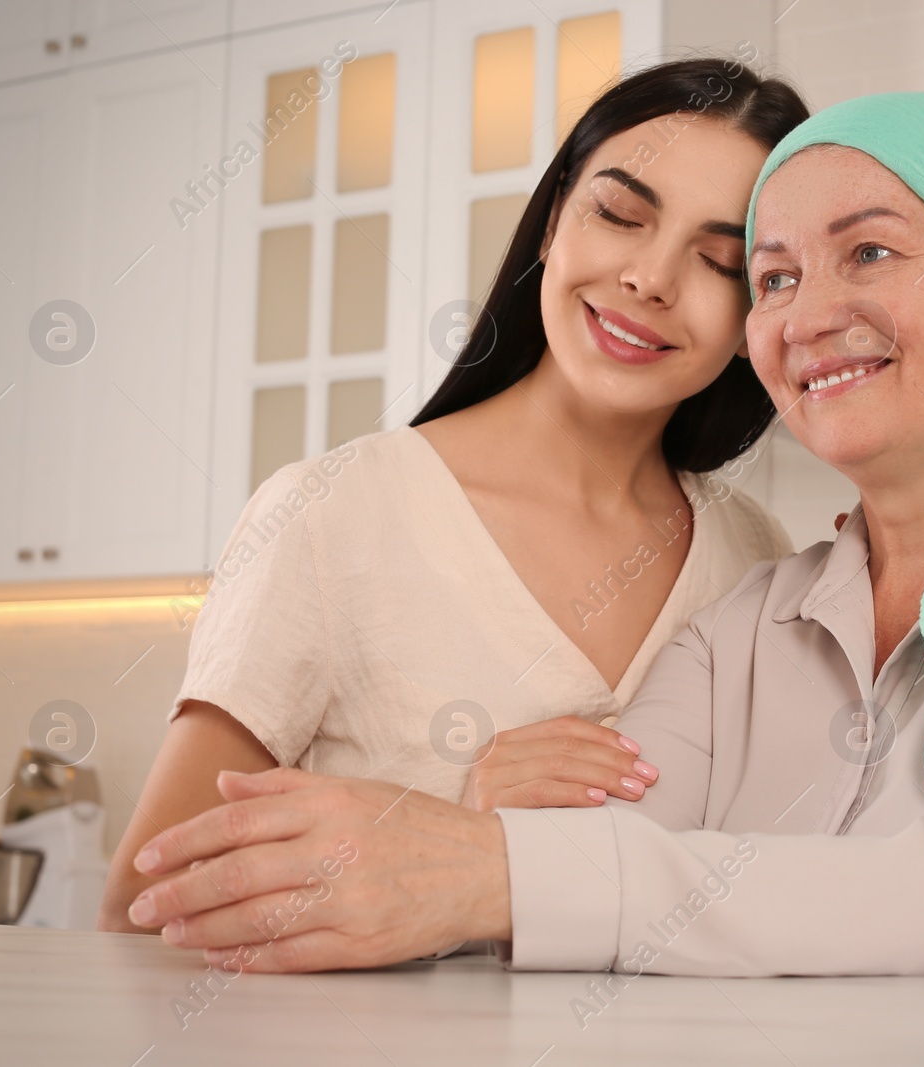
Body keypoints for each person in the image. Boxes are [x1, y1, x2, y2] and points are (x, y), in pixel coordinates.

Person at [116, 93, 924, 986]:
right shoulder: (750, 622)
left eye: (868, 251)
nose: (808, 310)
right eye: (773, 275)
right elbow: (596, 872)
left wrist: (494, 864)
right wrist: (495, 822)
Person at [97, 59, 810, 933]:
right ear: (553, 224)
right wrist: (469, 849)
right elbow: (144, 917)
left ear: (759, 313)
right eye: (619, 215)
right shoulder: (331, 516)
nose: (650, 278)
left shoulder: (759, 560)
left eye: (720, 261)